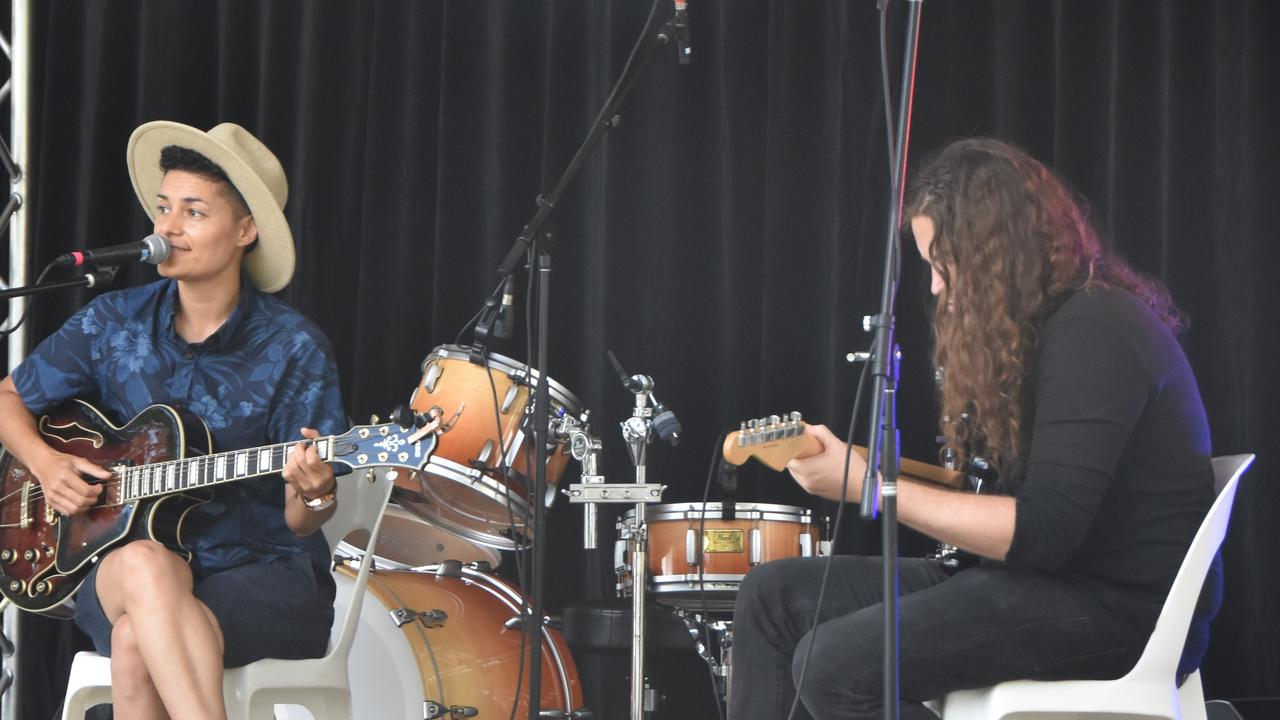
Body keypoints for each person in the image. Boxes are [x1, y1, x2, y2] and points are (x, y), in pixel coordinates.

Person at [728, 137, 1216, 720]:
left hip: (1117, 608)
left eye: (943, 264)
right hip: (1033, 580)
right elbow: (1011, 499)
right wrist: (865, 470)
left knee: (832, 664)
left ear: (994, 255)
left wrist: (871, 487)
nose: (934, 286)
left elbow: (1044, 531)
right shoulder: (1044, 330)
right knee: (770, 597)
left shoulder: (1099, 331)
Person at [0, 121, 346, 720]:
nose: (166, 228)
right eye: (163, 209)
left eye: (193, 212)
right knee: (139, 564)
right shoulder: (112, 321)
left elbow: (301, 521)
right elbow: (9, 397)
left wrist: (314, 495)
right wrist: (46, 461)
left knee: (138, 639)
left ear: (245, 230)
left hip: (259, 571)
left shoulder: (293, 347)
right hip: (120, 562)